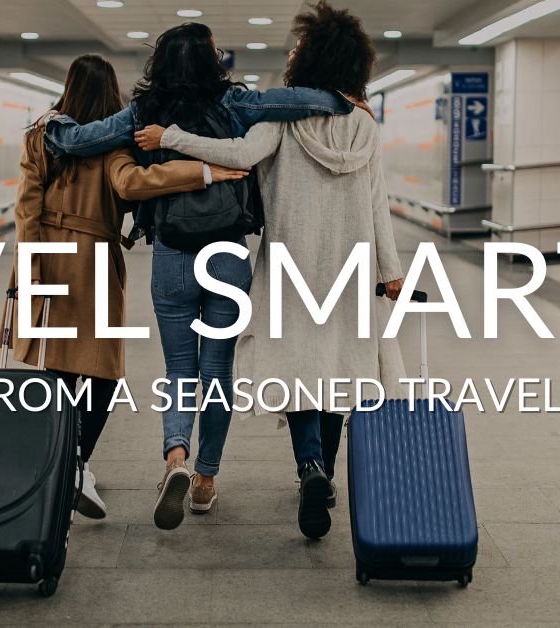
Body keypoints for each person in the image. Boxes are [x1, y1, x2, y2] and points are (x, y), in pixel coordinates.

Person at [41, 23, 358, 532]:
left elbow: (83, 140)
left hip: (171, 253)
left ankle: (176, 458)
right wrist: (339, 101)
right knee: (218, 376)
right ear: (213, 61)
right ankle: (206, 479)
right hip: (227, 255)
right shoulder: (235, 101)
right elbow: (295, 102)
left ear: (159, 62)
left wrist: (53, 125)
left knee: (179, 372)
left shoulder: (147, 111)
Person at [134, 1, 406, 539]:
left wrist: (169, 138)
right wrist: (390, 270)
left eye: (298, 49)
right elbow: (379, 205)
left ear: (312, 61)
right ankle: (321, 470)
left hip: (292, 263)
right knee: (335, 372)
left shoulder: (281, 121)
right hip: (349, 268)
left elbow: (234, 155)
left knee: (300, 369)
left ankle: (305, 467)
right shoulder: (367, 128)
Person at [10, 54, 248, 520]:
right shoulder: (112, 144)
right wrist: (202, 170)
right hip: (95, 264)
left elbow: (26, 209)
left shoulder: (40, 136)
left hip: (48, 261)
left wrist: (31, 267)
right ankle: (76, 464)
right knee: (100, 377)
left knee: (54, 373)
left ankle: (54, 464)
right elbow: (135, 182)